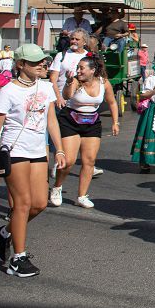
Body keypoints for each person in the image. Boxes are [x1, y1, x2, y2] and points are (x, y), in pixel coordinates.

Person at [0, 44, 65, 277]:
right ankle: (18, 259)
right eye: (36, 62)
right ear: (20, 65)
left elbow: (51, 121)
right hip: (14, 150)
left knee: (39, 203)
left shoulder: (46, 87)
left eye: (43, 62)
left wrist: (60, 150)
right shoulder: (8, 92)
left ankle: (4, 234)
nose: (42, 65)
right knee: (23, 203)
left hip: (38, 151)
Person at [49, 55, 118, 209]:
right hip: (70, 121)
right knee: (69, 161)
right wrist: (68, 82)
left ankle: (82, 196)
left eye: (82, 68)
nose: (78, 71)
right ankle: (57, 187)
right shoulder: (74, 80)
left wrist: (115, 122)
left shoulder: (103, 82)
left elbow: (112, 102)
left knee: (89, 161)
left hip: (92, 123)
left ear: (93, 70)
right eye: (78, 67)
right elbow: (67, 96)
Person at [48, 30, 89, 109]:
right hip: (62, 98)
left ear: (84, 42)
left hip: (81, 97)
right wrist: (58, 97)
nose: (73, 41)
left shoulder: (88, 56)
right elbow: (53, 79)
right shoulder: (61, 55)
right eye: (72, 39)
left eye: (77, 39)